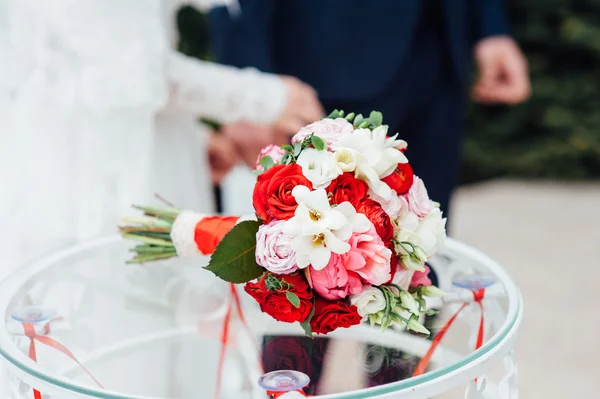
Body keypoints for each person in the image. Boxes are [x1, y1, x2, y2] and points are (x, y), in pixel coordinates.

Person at [0, 0, 323, 273]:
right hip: (91, 166)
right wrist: (266, 98)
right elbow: (125, 71)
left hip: (139, 135)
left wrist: (194, 137)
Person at [209, 0, 531, 220]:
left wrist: (490, 26)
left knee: (425, 239)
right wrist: (249, 85)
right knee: (327, 256)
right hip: (326, 56)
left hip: (441, 49)